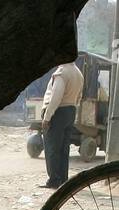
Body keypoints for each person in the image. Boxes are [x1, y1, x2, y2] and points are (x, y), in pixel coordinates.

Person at [39, 60, 83, 189]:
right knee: (64, 148)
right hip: (71, 110)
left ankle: (53, 180)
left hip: (58, 112)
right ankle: (63, 180)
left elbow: (55, 97)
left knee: (52, 148)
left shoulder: (62, 73)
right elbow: (79, 96)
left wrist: (47, 117)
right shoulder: (78, 73)